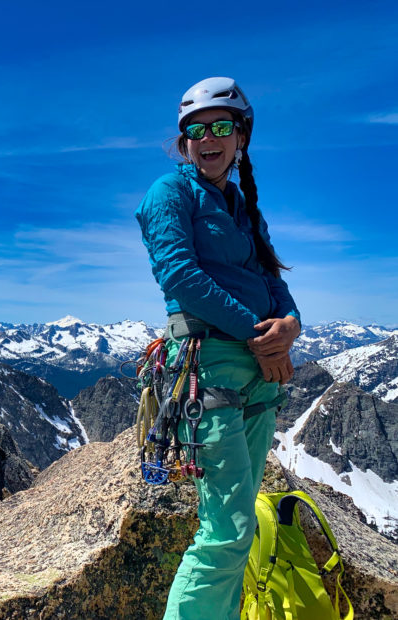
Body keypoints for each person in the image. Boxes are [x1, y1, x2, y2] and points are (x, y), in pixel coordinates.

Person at [135, 77, 301, 620]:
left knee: (238, 524)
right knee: (227, 529)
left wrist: (290, 325)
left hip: (255, 373)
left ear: (241, 138)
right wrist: (262, 335)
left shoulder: (241, 206)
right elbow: (180, 277)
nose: (209, 138)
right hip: (212, 370)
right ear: (184, 142)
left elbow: (272, 280)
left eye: (222, 127)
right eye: (196, 130)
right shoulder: (170, 193)